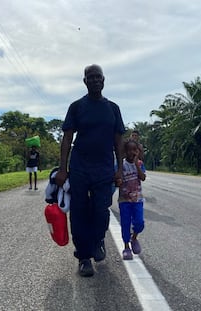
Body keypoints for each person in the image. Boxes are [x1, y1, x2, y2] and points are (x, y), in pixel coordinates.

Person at [55, 64, 126, 277]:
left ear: (104, 80)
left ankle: (98, 241)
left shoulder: (113, 108)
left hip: (104, 168)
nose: (95, 80)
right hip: (80, 167)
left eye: (98, 77)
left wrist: (120, 169)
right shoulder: (76, 107)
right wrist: (62, 169)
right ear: (85, 81)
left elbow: (118, 140)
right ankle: (84, 257)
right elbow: (67, 138)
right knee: (78, 211)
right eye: (91, 77)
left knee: (100, 208)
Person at [118, 139, 146, 260]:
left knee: (139, 223)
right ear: (125, 152)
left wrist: (136, 164)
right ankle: (126, 247)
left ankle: (134, 238)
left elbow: (143, 177)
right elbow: (117, 179)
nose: (132, 152)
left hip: (137, 200)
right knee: (125, 223)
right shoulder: (121, 165)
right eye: (129, 150)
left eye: (134, 150)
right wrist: (117, 181)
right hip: (124, 201)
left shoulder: (139, 164)